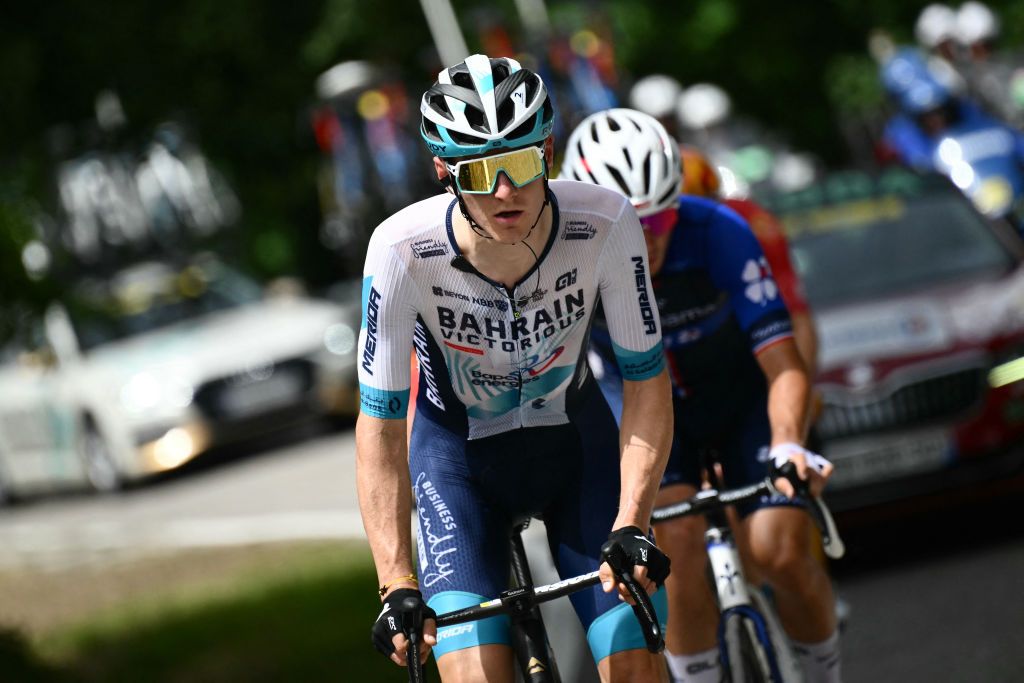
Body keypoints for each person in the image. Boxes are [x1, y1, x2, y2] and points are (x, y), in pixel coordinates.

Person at [356, 54, 675, 682]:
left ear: (550, 151)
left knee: (633, 660)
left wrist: (634, 518)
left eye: (523, 163)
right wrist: (395, 581)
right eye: (480, 170)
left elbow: (645, 378)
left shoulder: (605, 222)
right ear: (443, 171)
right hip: (458, 470)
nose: (505, 191)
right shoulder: (399, 252)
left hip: (575, 454)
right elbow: (382, 429)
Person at [559, 108, 841, 683]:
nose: (649, 241)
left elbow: (783, 362)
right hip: (650, 420)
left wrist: (789, 442)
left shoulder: (719, 232)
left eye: (661, 223)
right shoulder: (571, 261)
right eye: (631, 227)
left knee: (778, 550)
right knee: (676, 552)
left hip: (741, 404)